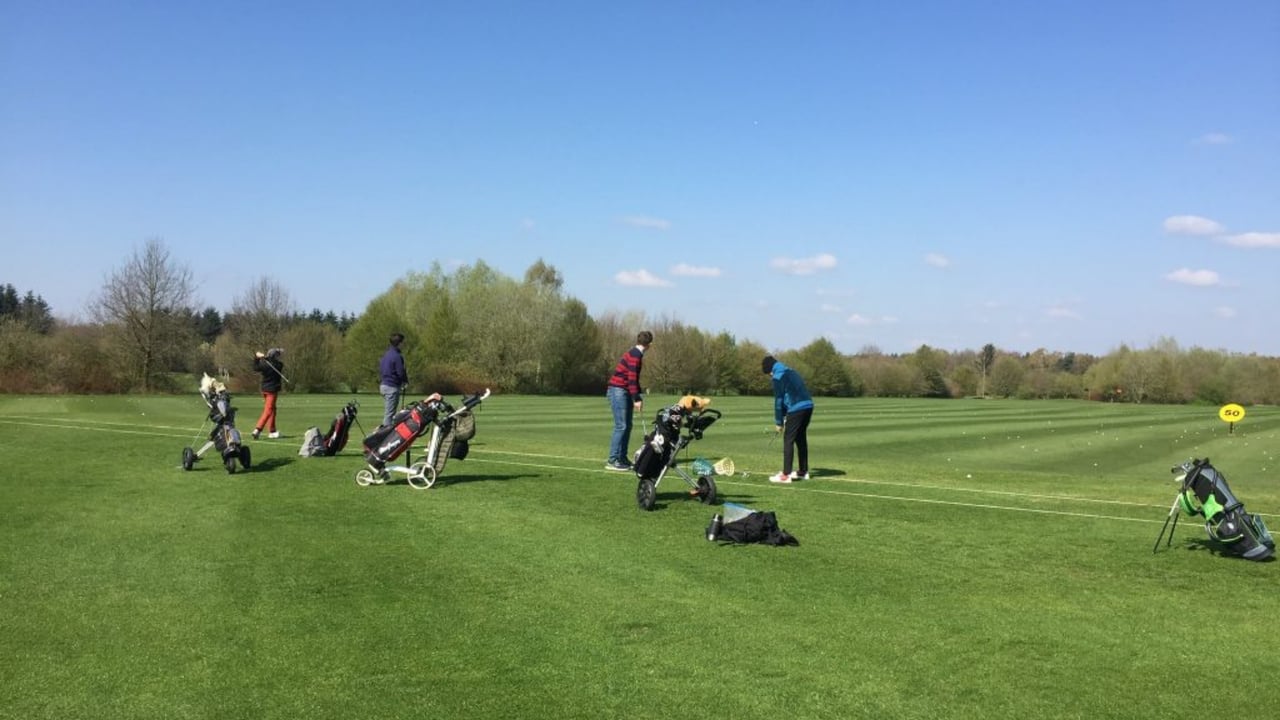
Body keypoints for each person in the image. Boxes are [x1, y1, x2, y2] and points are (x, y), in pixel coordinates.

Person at [605, 330, 653, 471]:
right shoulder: (635, 355)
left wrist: (638, 396)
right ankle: (612, 460)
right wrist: (636, 398)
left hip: (623, 391)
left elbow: (634, 380)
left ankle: (622, 458)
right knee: (621, 426)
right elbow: (631, 378)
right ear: (649, 344)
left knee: (628, 425)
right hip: (618, 390)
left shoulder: (636, 353)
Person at [762, 354, 814, 483]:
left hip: (796, 408)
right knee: (800, 437)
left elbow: (779, 401)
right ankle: (803, 471)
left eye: (768, 373)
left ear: (770, 370)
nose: (769, 376)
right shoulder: (791, 371)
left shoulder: (778, 377)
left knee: (788, 439)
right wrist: (786, 415)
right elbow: (790, 394)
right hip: (808, 406)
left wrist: (779, 422)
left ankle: (786, 475)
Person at [252, 348, 285, 440]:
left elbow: (255, 367)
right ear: (275, 357)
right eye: (278, 355)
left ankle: (272, 431)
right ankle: (257, 429)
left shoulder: (265, 364)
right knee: (269, 410)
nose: (279, 357)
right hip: (271, 390)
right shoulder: (277, 365)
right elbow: (275, 363)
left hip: (265, 389)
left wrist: (257, 358)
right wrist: (263, 358)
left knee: (273, 410)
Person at [379, 333, 409, 428]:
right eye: (403, 342)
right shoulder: (397, 356)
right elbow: (400, 372)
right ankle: (384, 436)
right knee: (389, 414)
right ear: (399, 343)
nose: (404, 344)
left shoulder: (386, 354)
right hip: (391, 387)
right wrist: (405, 381)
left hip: (384, 385)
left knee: (389, 412)